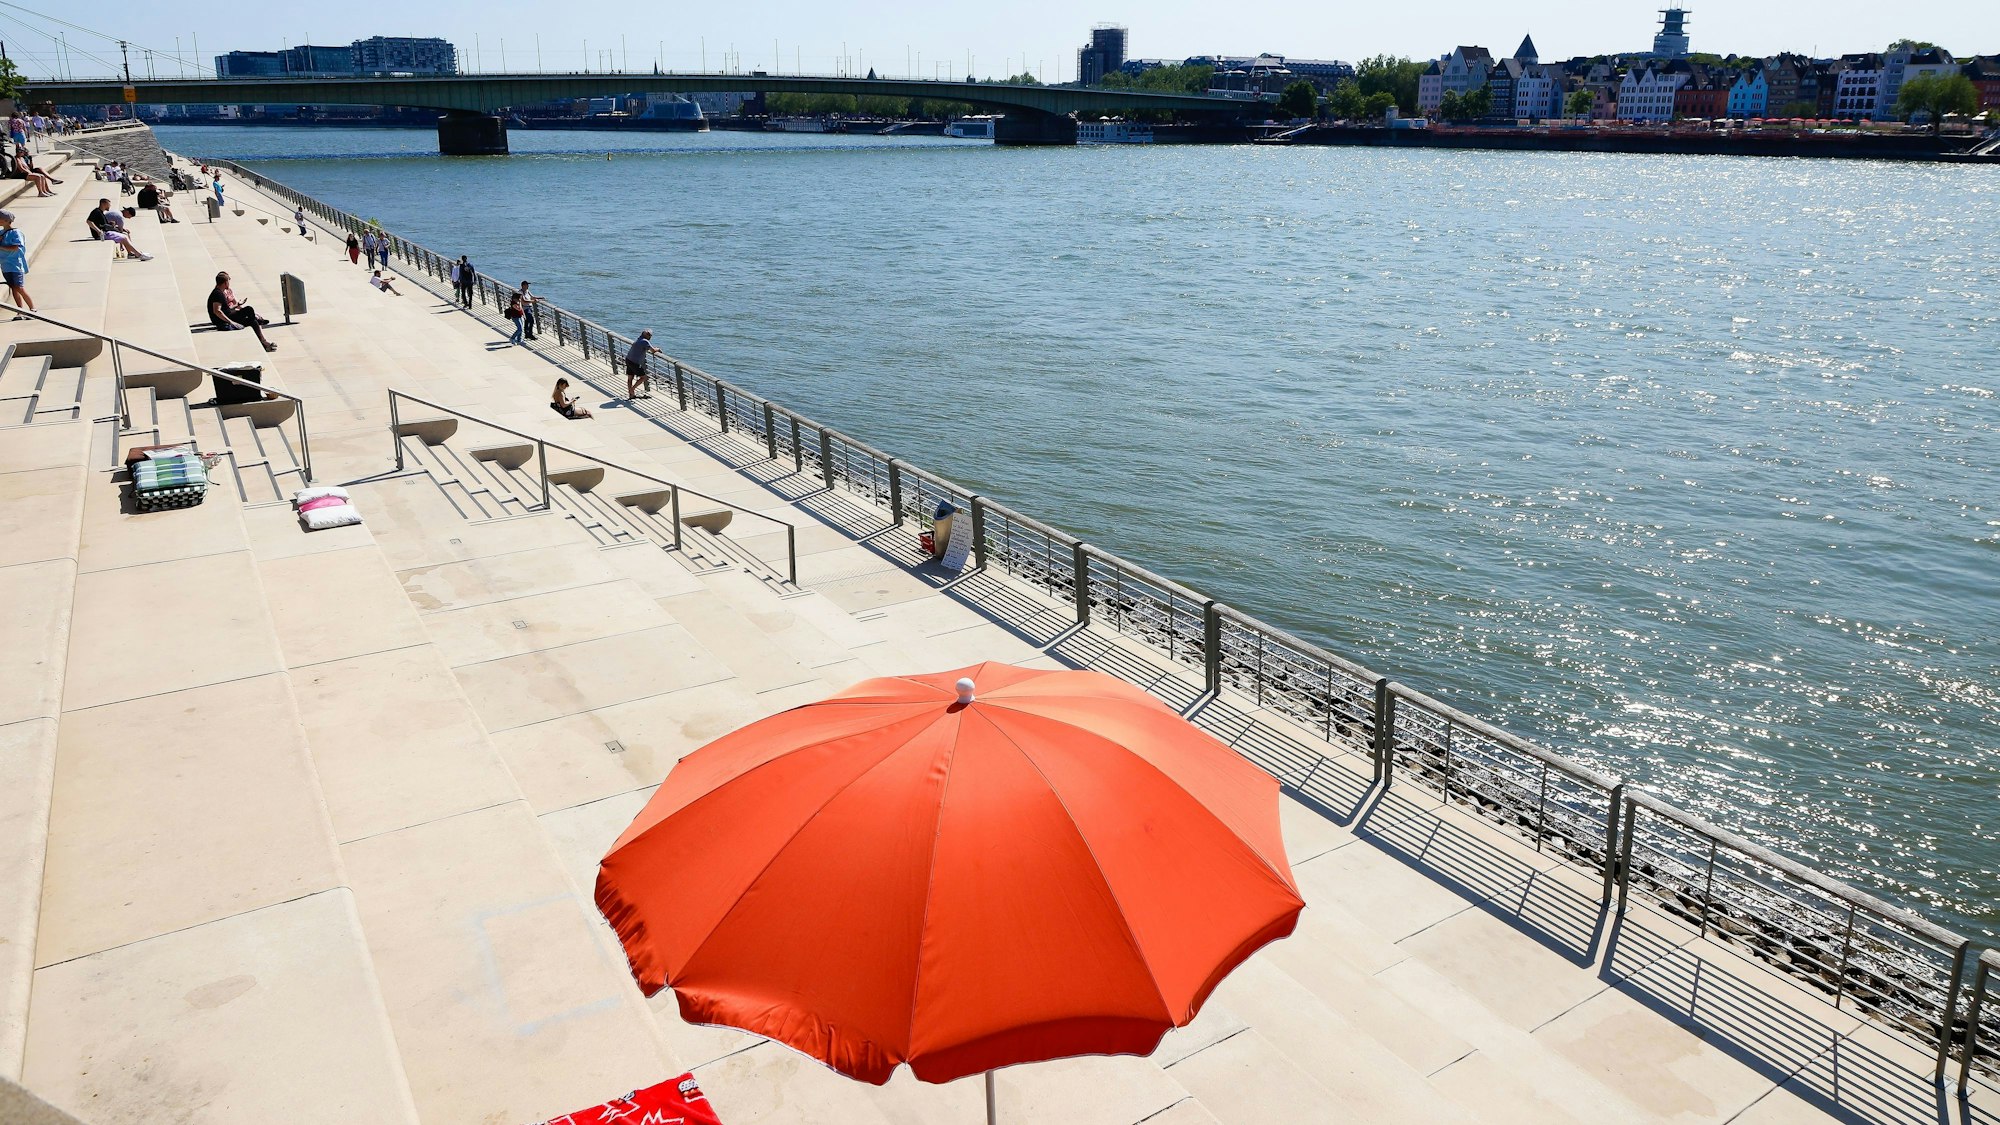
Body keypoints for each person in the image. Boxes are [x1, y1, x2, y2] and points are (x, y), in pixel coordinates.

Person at [206, 270, 277, 352]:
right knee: (249, 309)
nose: (229, 283)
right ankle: (260, 325)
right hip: (224, 320)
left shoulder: (220, 292)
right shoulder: (217, 294)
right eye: (228, 281)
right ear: (225, 283)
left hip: (229, 315)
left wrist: (237, 305)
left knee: (252, 321)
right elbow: (217, 311)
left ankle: (264, 342)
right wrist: (231, 322)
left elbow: (226, 309)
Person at [86, 198, 152, 260]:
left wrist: (110, 224)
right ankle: (139, 255)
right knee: (124, 237)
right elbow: (89, 221)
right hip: (103, 234)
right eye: (108, 204)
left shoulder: (100, 212)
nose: (110, 206)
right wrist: (98, 231)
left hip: (106, 232)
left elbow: (102, 224)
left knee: (124, 237)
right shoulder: (96, 211)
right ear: (103, 204)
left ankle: (136, 253)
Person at [0, 210, 34, 317]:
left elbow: (16, 247)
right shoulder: (1, 233)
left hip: (15, 265)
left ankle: (32, 308)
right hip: (5, 265)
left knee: (19, 287)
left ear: (6, 220)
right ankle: (20, 310)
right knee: (13, 288)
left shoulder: (15, 233)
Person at [625, 330, 663, 399]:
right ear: (647, 335)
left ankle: (631, 395)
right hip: (635, 362)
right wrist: (658, 349)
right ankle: (632, 390)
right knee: (644, 377)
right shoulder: (645, 341)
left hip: (628, 359)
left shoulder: (639, 339)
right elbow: (653, 350)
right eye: (649, 335)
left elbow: (643, 348)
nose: (650, 336)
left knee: (630, 378)